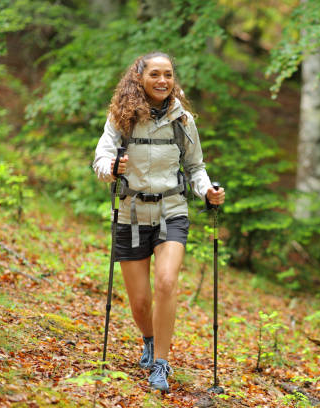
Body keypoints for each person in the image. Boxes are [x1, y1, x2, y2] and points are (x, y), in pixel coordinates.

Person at [92, 51, 225, 392]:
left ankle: (161, 365)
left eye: (167, 74)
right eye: (154, 74)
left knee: (166, 282)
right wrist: (111, 168)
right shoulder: (121, 116)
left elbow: (196, 168)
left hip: (171, 211)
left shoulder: (183, 120)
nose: (162, 80)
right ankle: (149, 340)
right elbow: (102, 156)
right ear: (140, 77)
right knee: (139, 301)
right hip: (131, 214)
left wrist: (207, 190)